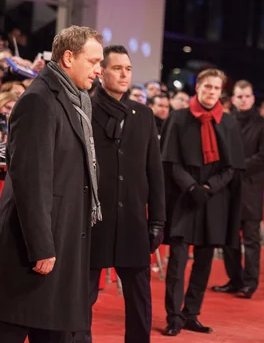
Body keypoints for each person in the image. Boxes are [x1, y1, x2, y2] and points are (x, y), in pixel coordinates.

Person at [0, 25, 104, 342]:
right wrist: (41, 246)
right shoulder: (39, 101)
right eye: (94, 61)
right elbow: (31, 181)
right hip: (34, 248)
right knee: (9, 327)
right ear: (68, 58)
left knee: (50, 329)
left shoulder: (76, 99)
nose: (99, 70)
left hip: (61, 239)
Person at [78, 45, 165, 343]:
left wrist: (157, 221)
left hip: (132, 221)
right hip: (93, 219)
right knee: (82, 298)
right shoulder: (84, 109)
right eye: (117, 68)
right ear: (101, 72)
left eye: (128, 68)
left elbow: (154, 171)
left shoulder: (143, 114)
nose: (125, 74)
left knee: (140, 299)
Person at [160, 68, 245, 337]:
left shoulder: (229, 123)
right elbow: (171, 162)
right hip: (184, 197)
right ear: (197, 87)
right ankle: (173, 316)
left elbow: (232, 166)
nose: (211, 92)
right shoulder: (178, 118)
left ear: (221, 92)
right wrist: (193, 187)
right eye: (207, 87)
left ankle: (190, 314)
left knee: (205, 262)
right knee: (177, 261)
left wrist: (209, 188)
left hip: (213, 199)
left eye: (216, 88)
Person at [212, 80, 264, 298]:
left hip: (250, 188)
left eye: (247, 96)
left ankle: (250, 282)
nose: (243, 100)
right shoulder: (226, 122)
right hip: (227, 188)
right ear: (233, 99)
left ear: (253, 98)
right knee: (229, 239)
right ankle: (234, 279)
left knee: (251, 239)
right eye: (239, 96)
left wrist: (236, 168)